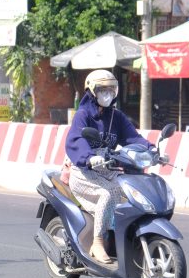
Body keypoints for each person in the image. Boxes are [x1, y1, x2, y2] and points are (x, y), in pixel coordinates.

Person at [65, 69, 153, 264]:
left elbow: (133, 138)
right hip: (84, 171)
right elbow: (76, 140)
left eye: (111, 89)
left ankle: (125, 240)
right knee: (109, 193)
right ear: (91, 91)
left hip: (108, 169)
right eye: (102, 89)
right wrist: (89, 157)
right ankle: (97, 242)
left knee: (131, 193)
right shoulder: (83, 115)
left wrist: (152, 150)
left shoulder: (117, 117)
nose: (108, 93)